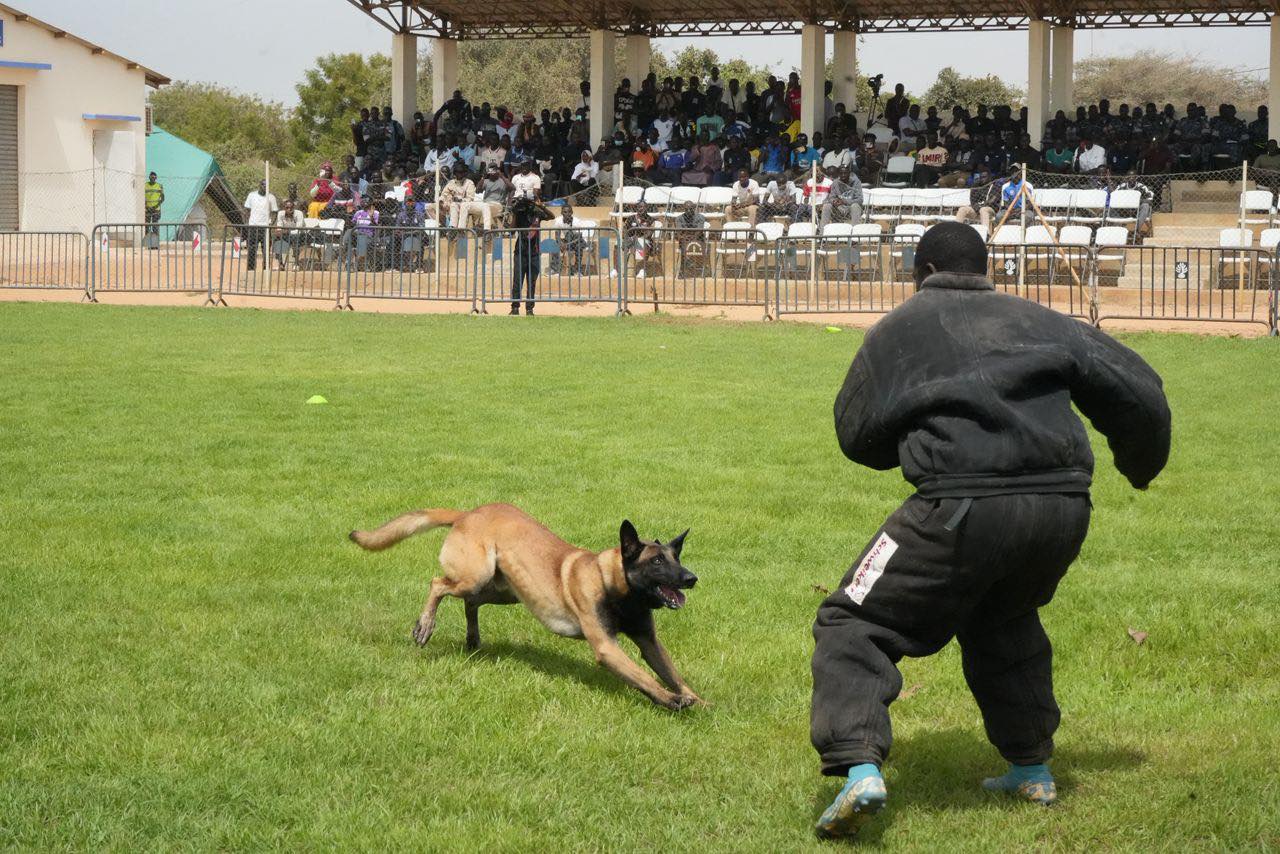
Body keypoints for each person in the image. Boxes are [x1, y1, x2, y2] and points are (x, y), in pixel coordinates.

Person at [811, 221, 1171, 840]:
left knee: (854, 621)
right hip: (1064, 508)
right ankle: (1030, 768)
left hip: (959, 506)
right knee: (1002, 620)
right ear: (987, 268)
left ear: (918, 273)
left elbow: (855, 433)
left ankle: (858, 768)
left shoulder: (895, 329)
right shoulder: (1046, 320)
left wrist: (906, 446)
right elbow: (1141, 394)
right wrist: (1138, 466)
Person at [508, 195, 552, 315]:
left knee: (531, 282)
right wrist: (515, 213)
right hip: (520, 252)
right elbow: (511, 231)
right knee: (517, 281)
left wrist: (540, 206)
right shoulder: (519, 213)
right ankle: (515, 307)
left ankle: (529, 309)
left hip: (534, 252)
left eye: (528, 203)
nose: (526, 205)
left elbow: (550, 216)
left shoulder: (537, 213)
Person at [242, 180, 278, 271]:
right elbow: (246, 210)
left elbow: (274, 212)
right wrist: (246, 223)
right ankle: (250, 270)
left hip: (265, 228)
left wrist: (271, 223)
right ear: (259, 185)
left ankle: (265, 270)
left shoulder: (271, 197)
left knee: (266, 251)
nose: (265, 187)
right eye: (263, 185)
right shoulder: (252, 195)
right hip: (253, 226)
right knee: (251, 250)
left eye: (267, 185)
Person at [273, 199, 305, 270]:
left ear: (294, 208)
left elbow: (298, 228)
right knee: (276, 238)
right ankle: (280, 264)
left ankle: (296, 264)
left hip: (300, 235)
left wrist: (285, 231)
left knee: (295, 238)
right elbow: (279, 228)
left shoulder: (299, 213)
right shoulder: (281, 214)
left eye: (291, 208)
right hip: (287, 235)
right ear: (284, 208)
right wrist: (280, 232)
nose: (289, 209)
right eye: (287, 208)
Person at [143, 172, 164, 240]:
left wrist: (156, 205)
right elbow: (141, 197)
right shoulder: (145, 185)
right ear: (149, 177)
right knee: (146, 226)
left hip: (156, 209)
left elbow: (162, 198)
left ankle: (155, 243)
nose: (153, 179)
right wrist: (146, 206)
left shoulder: (159, 186)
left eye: (154, 177)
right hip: (147, 209)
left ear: (156, 178)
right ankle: (147, 242)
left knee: (155, 226)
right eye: (152, 177)